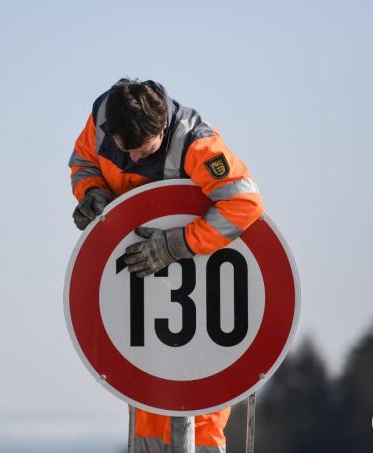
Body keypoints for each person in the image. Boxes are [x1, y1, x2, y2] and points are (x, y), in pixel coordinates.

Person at [68, 78, 264, 453]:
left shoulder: (198, 144)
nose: (134, 159)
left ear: (162, 128)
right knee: (146, 398)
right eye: (126, 149)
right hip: (140, 290)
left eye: (143, 150)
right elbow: (83, 163)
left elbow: (244, 203)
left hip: (201, 294)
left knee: (200, 405)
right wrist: (92, 193)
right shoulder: (102, 118)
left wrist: (178, 245)